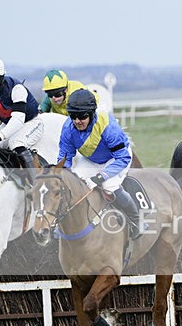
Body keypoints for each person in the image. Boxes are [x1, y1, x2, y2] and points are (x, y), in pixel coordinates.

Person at [58, 89, 145, 240]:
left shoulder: (108, 127)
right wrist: (62, 175)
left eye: (82, 116)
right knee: (73, 183)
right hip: (91, 160)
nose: (77, 121)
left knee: (109, 186)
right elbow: (65, 157)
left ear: (92, 114)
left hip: (116, 159)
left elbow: (122, 158)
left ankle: (136, 220)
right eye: (73, 116)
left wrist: (101, 176)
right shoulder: (68, 128)